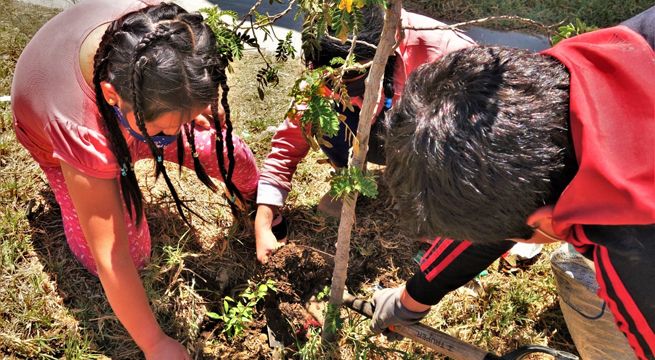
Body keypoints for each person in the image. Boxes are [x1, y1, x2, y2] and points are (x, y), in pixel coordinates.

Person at [371, 5, 655, 359]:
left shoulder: (638, 265)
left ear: (547, 222)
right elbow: (506, 210)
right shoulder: (575, 70)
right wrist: (411, 297)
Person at [11, 1, 259, 358]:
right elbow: (113, 257)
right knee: (132, 252)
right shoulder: (81, 131)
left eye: (181, 122)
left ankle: (253, 202)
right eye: (162, 132)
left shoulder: (157, 34)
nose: (173, 137)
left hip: (134, 110)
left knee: (229, 153)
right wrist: (155, 343)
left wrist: (194, 101)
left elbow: (181, 82)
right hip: (60, 142)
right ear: (113, 96)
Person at [254, 6, 476, 264]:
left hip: (433, 139)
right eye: (335, 84)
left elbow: (479, 138)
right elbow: (291, 139)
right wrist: (264, 216)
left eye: (356, 80)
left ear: (388, 47)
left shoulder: (447, 51)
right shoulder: (323, 66)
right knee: (322, 117)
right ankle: (348, 182)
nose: (347, 93)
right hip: (383, 132)